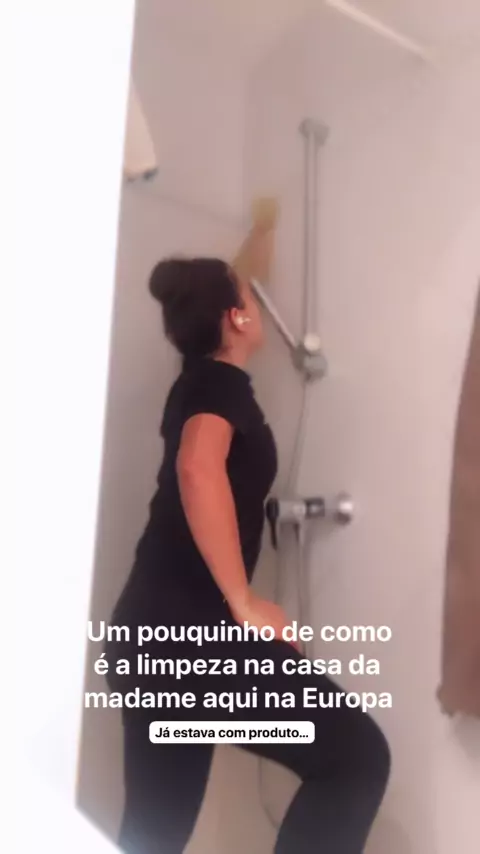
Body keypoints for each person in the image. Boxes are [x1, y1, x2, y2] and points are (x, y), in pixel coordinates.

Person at [105, 202, 391, 854]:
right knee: (355, 758)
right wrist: (244, 603)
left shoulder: (197, 379)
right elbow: (197, 468)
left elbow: (222, 291)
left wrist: (259, 239)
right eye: (249, 300)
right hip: (188, 640)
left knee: (155, 834)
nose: (257, 306)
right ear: (236, 317)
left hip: (149, 639)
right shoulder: (221, 385)